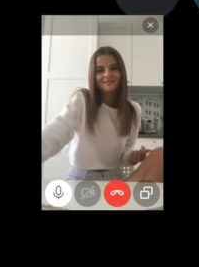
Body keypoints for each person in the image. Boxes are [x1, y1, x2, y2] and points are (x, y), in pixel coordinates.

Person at [41, 46, 163, 183]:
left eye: (114, 68)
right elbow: (56, 132)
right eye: (100, 70)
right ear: (93, 75)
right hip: (81, 179)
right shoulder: (82, 100)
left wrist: (131, 157)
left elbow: (126, 151)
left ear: (122, 73)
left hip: (115, 179)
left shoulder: (133, 110)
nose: (107, 74)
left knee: (160, 155)